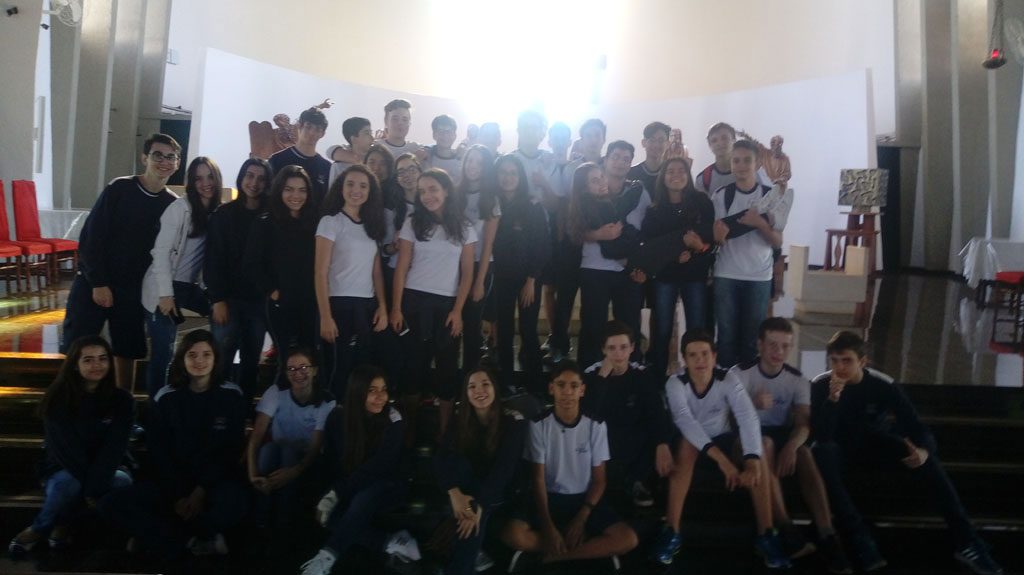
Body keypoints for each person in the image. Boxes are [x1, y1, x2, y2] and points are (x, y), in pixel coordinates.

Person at [811, 331, 1003, 575]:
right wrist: (833, 400)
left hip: (875, 444)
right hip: (838, 449)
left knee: (925, 459)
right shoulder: (821, 385)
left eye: (846, 360)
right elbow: (822, 434)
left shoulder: (882, 384)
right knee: (821, 451)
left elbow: (915, 425)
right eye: (834, 360)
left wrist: (924, 451)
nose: (839, 367)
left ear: (862, 361)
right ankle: (858, 537)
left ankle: (967, 541)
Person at [101, 330, 248, 559]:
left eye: (206, 354)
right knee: (111, 504)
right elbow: (159, 452)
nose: (199, 361)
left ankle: (160, 537)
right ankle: (193, 540)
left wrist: (200, 491)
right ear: (182, 359)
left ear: (216, 359)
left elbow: (230, 451)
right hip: (173, 483)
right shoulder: (166, 397)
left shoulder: (231, 395)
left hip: (213, 483)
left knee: (237, 501)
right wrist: (179, 495)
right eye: (192, 355)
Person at [653, 330, 791, 569]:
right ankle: (672, 531)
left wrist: (751, 460)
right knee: (686, 444)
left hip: (724, 440)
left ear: (714, 356)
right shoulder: (675, 383)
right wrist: (722, 461)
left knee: (760, 448)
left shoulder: (727, 379)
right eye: (693, 355)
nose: (700, 360)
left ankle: (766, 533)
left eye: (705, 354)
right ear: (685, 359)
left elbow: (747, 416)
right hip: (694, 445)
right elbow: (686, 422)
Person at [731, 318, 852, 572]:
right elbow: (727, 418)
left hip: (779, 436)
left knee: (804, 452)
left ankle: (827, 533)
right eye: (773, 345)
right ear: (760, 345)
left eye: (785, 346)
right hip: (744, 439)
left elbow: (803, 423)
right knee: (765, 444)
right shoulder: (739, 373)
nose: (779, 352)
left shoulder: (797, 379)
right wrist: (751, 404)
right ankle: (785, 527)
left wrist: (791, 447)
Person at [61, 133, 180, 390]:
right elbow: (91, 237)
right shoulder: (120, 188)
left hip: (133, 289)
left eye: (170, 157)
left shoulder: (172, 204)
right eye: (158, 155)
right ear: (145, 158)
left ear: (177, 163)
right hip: (95, 281)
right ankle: (73, 403)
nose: (164, 161)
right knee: (79, 347)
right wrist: (99, 282)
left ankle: (123, 405)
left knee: (127, 348)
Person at [501, 360, 638, 571]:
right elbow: (537, 479)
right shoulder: (538, 425)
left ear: (582, 390)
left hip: (584, 500)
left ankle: (555, 556)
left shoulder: (595, 425)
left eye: (574, 386)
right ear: (551, 388)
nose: (567, 392)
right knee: (512, 534)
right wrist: (547, 526)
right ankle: (578, 547)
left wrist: (582, 517)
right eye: (560, 385)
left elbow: (600, 480)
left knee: (628, 539)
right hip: (548, 498)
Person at [8, 336, 133, 556]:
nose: (97, 365)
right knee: (67, 483)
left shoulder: (122, 400)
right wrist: (91, 488)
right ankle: (39, 529)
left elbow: (115, 447)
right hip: (63, 465)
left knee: (121, 482)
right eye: (88, 360)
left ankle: (64, 524)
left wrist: (95, 482)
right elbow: (67, 451)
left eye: (103, 358)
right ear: (75, 364)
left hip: (108, 467)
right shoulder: (57, 399)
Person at [390, 168, 477, 441]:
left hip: (448, 304)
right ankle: (409, 432)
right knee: (414, 366)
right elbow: (401, 268)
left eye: (433, 189)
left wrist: (458, 311)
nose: (427, 196)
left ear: (446, 190)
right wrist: (396, 307)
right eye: (422, 191)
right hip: (414, 302)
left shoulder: (465, 227)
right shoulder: (413, 222)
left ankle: (444, 433)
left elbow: (467, 273)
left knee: (447, 368)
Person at [299, 366, 407, 575]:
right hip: (350, 483)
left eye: (383, 389)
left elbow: (380, 467)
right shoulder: (338, 417)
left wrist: (337, 492)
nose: (380, 397)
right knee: (327, 513)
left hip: (388, 484)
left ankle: (326, 558)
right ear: (358, 392)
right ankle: (389, 542)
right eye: (372, 390)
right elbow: (331, 461)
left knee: (361, 499)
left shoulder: (393, 419)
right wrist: (329, 492)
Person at [433, 366, 528, 575]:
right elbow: (441, 459)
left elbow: (504, 471)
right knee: (458, 464)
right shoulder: (460, 417)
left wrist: (478, 505)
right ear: (466, 393)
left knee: (469, 515)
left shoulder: (514, 420)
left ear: (495, 388)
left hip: (501, 492)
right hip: (467, 490)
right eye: (472, 386)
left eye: (485, 384)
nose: (479, 391)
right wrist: (454, 493)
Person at [140, 156, 222, 398]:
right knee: (163, 352)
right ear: (191, 182)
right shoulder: (179, 209)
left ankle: (203, 383)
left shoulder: (218, 211)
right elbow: (160, 253)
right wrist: (165, 295)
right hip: (163, 286)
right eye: (198, 178)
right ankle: (158, 406)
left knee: (222, 316)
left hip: (189, 286)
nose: (205, 183)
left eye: (209, 176)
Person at [569, 145, 649, 368]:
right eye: (616, 157)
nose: (620, 162)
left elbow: (646, 231)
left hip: (627, 270)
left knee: (629, 327)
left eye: (626, 159)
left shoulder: (638, 192)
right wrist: (599, 234)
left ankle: (631, 377)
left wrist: (640, 265)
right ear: (606, 160)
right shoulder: (585, 198)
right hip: (595, 270)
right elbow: (574, 232)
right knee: (593, 327)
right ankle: (589, 376)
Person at [315, 164, 390, 398]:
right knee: (340, 370)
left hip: (365, 306)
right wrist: (325, 316)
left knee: (362, 370)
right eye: (350, 184)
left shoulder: (372, 226)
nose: (356, 190)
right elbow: (320, 273)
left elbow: (376, 273)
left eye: (363, 186)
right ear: (341, 188)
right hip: (338, 306)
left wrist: (382, 307)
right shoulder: (330, 222)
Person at [582, 321, 675, 508]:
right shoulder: (591, 374)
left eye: (623, 347)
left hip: (633, 438)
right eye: (612, 348)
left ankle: (638, 482)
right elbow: (588, 414)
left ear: (632, 348)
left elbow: (656, 411)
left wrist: (662, 444)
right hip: (603, 439)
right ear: (603, 350)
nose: (618, 354)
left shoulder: (642, 374)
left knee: (665, 429)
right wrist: (602, 378)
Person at [710, 140, 784, 369]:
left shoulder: (771, 196)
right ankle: (726, 383)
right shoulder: (721, 196)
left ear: (757, 162)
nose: (741, 166)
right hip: (726, 274)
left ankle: (747, 385)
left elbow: (777, 241)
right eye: (736, 161)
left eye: (747, 160)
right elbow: (715, 239)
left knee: (752, 339)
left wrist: (759, 223)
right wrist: (718, 237)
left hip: (759, 276)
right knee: (726, 337)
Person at [243, 165, 319, 382]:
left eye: (302, 190)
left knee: (310, 359)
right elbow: (251, 264)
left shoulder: (315, 222)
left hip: (311, 304)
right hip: (280, 305)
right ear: (279, 190)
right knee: (287, 359)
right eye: (289, 189)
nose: (296, 195)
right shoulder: (265, 222)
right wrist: (273, 291)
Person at [641, 156, 715, 377]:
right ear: (663, 177)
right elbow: (650, 245)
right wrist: (674, 256)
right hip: (666, 275)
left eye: (681, 170)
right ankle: (657, 382)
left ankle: (697, 380)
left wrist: (696, 249)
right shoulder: (654, 210)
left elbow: (711, 239)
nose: (676, 175)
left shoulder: (701, 202)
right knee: (662, 329)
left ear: (688, 175)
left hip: (695, 274)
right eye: (670, 171)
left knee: (697, 329)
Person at [247, 347, 335, 531]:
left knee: (288, 452)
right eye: (292, 369)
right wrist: (253, 474)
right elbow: (256, 436)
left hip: (308, 459)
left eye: (304, 367)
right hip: (276, 451)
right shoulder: (276, 392)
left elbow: (315, 447)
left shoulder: (326, 401)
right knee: (268, 450)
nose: (298, 373)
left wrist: (294, 471)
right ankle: (260, 520)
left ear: (314, 370)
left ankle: (283, 521)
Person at [206, 158, 272, 396]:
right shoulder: (224, 214)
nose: (254, 182)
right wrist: (217, 300)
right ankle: (217, 411)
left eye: (261, 178)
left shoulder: (271, 217)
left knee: (250, 361)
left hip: (258, 302)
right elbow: (213, 259)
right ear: (242, 177)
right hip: (228, 300)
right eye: (250, 176)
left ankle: (242, 412)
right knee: (221, 360)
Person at [545, 119, 606, 363]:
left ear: (603, 138)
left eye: (597, 135)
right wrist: (564, 236)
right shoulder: (570, 169)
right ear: (582, 139)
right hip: (571, 242)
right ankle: (559, 345)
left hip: (601, 244)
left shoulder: (608, 167)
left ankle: (592, 354)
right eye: (589, 135)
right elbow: (563, 205)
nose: (593, 139)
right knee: (565, 296)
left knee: (593, 303)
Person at [490, 154, 549, 390]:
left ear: (520, 177)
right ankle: (506, 386)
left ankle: (535, 388)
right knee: (503, 332)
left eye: (513, 173)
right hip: (500, 279)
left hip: (528, 280)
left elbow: (542, 245)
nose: (508, 177)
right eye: (503, 172)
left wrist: (532, 279)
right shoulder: (491, 204)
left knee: (528, 330)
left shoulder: (533, 205)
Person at [454, 145, 500, 373]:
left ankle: (469, 379)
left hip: (480, 265)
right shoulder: (454, 193)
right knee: (453, 323)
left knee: (472, 326)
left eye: (480, 163)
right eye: (470, 160)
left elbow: (488, 245)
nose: (473, 166)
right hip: (454, 265)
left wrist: (480, 282)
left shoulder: (491, 199)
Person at [268, 107, 331, 206]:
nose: (312, 132)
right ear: (299, 126)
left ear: (322, 134)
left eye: (317, 129)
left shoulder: (326, 167)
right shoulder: (277, 159)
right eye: (308, 126)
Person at [327, 116, 375, 188]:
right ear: (354, 139)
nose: (372, 138)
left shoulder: (376, 159)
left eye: (371, 133)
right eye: (367, 133)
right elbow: (333, 192)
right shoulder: (339, 166)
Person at [694, 122, 738, 195]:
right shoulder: (703, 179)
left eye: (724, 138)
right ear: (710, 145)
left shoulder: (748, 171)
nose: (719, 143)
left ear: (734, 140)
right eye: (714, 140)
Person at [627, 121, 671, 195]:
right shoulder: (631, 173)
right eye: (652, 140)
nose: (656, 145)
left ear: (668, 144)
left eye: (661, 140)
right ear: (643, 142)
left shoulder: (671, 173)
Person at [425, 114, 464, 182]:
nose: (445, 135)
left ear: (455, 135)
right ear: (434, 135)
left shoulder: (462, 160)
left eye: (449, 131)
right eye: (440, 131)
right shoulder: (426, 158)